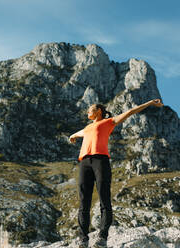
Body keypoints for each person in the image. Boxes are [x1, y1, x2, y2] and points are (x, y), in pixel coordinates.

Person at [69, 99, 163, 248]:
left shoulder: (108, 122)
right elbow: (80, 133)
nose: (88, 111)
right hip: (85, 163)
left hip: (101, 161)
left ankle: (102, 238)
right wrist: (72, 136)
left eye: (90, 109)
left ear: (99, 110)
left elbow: (129, 112)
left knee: (104, 198)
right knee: (83, 201)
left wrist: (150, 103)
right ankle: (83, 239)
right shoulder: (87, 127)